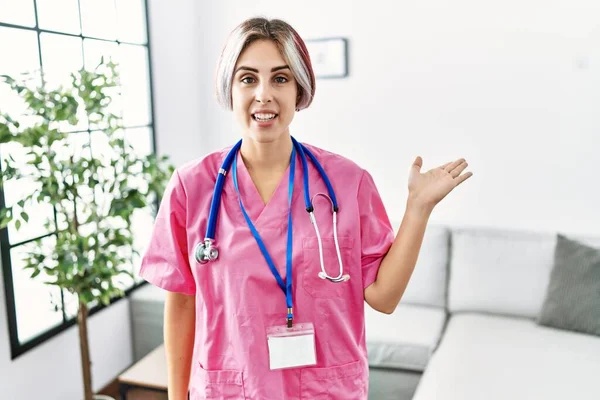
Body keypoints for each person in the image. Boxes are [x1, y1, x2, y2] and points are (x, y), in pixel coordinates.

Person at [139, 17, 472, 400]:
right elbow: (181, 302)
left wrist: (417, 209)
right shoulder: (191, 187)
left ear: (300, 89)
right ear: (229, 89)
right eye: (248, 79)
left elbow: (384, 297)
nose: (264, 94)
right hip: (229, 390)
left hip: (323, 390)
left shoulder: (348, 182)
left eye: (280, 79)